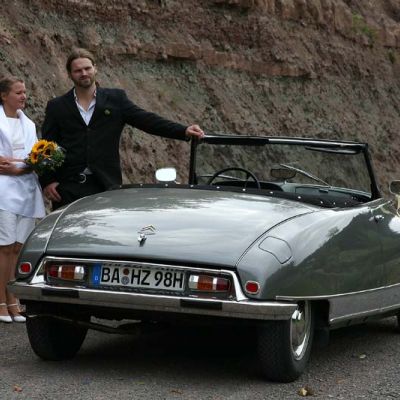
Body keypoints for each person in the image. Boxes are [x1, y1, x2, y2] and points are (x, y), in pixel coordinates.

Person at [41, 47, 204, 209]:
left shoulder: (115, 99)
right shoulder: (57, 106)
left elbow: (147, 120)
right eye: (78, 70)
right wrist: (48, 181)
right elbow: (46, 145)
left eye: (87, 68)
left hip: (105, 186)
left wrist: (183, 130)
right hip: (67, 189)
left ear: (95, 68)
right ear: (69, 74)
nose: (84, 73)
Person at [0, 76, 45, 323]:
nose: (24, 96)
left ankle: (13, 300)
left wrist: (22, 167)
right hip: (3, 191)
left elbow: (35, 155)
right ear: (4, 95)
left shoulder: (28, 124)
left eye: (24, 92)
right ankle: (1, 301)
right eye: (18, 92)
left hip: (26, 189)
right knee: (4, 247)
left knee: (18, 247)